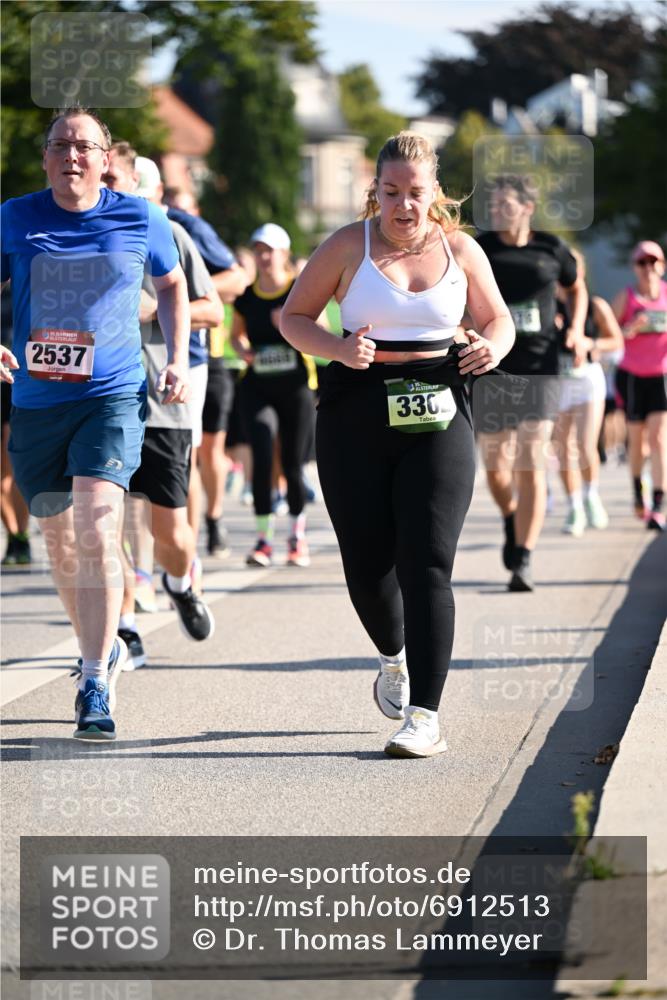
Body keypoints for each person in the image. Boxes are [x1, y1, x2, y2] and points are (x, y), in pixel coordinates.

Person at [281, 132, 514, 757]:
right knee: (366, 564)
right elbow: (292, 317)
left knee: (428, 561)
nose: (403, 206)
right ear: (375, 191)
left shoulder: (460, 249)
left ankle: (425, 716)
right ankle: (393, 657)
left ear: (434, 191)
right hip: (356, 409)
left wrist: (495, 346)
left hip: (440, 406)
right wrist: (335, 346)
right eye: (391, 193)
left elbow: (499, 318)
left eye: (415, 193)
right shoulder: (345, 246)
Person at [0, 107, 190, 740]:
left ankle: (93, 681)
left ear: (106, 158)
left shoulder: (141, 216)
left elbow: (171, 285)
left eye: (84, 146)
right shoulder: (15, 217)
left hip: (111, 395)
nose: (72, 156)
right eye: (60, 146)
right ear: (47, 158)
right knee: (58, 540)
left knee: (97, 524)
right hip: (36, 402)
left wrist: (177, 357)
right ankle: (97, 644)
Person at [102, 143, 217, 664]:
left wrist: (153, 310)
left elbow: (212, 308)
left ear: (134, 185)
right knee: (103, 521)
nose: (103, 189)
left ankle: (178, 579)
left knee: (169, 530)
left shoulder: (164, 231)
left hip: (161, 398)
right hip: (99, 401)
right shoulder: (70, 237)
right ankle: (122, 628)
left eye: (113, 180)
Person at [475, 175, 587, 591]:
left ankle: (523, 557)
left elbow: (577, 288)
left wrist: (574, 328)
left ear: (527, 207)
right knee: (495, 468)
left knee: (531, 459)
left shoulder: (551, 249)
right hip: (492, 367)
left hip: (541, 366)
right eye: (494, 203)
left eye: (506, 203)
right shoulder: (482, 249)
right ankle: (510, 517)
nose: (498, 209)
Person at [232, 223, 317, 568]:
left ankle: (297, 537)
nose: (264, 257)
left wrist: (291, 324)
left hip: (296, 385)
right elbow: (235, 337)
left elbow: (321, 331)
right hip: (257, 386)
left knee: (294, 464)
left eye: (270, 250)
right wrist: (244, 351)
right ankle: (263, 540)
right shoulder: (247, 297)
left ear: (284, 253)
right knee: (263, 453)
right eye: (259, 250)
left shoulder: (301, 290)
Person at [552, 249, 624, 536]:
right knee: (563, 448)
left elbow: (615, 340)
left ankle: (591, 495)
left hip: (587, 380)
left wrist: (588, 343)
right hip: (557, 382)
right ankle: (574, 507)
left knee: (584, 444)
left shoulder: (596, 306)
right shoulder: (547, 308)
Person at [612, 240, 667, 531]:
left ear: (662, 266)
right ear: (635, 267)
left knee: (659, 440)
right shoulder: (627, 297)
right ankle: (638, 492)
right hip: (632, 376)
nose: (648, 268)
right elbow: (608, 333)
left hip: (661, 376)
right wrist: (629, 328)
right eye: (642, 263)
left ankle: (658, 505)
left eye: (653, 262)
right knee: (638, 443)